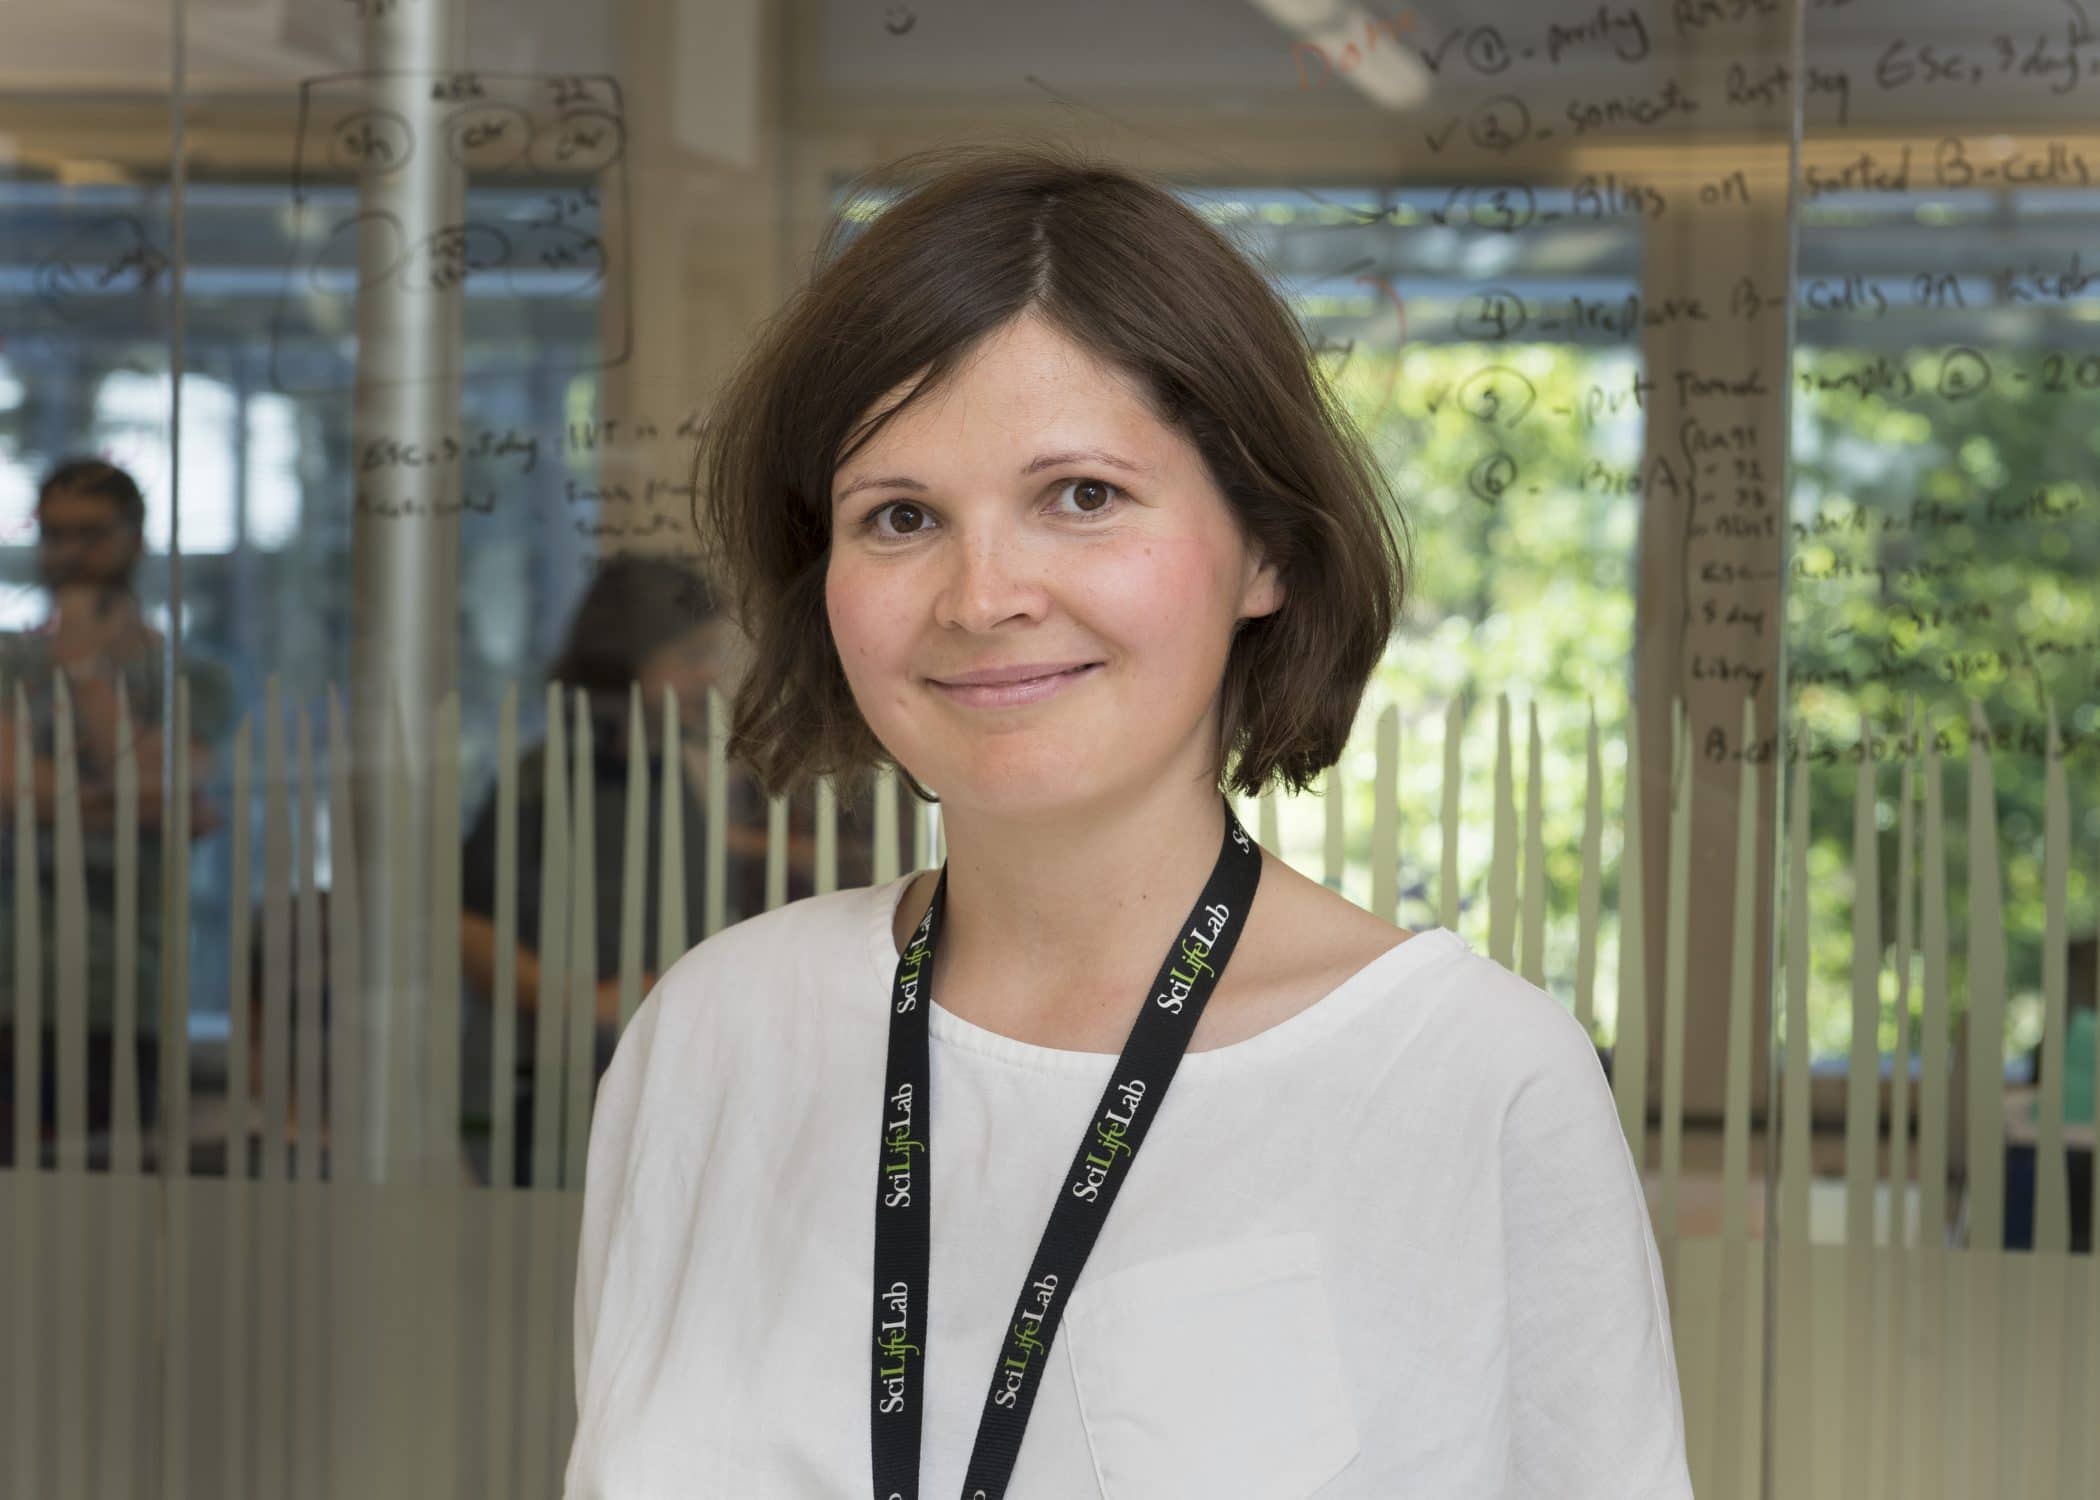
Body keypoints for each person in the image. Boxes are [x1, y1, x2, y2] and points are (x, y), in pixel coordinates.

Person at [564, 143, 1692, 1498]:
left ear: (1266, 549)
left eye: (1083, 497)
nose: (983, 596)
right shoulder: (715, 1036)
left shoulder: (1472, 1079)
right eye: (901, 516)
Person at [458, 554, 882, 1187]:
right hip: (559, 1093)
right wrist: (573, 1002)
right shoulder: (546, 781)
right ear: (626, 660)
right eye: (689, 658)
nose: (708, 676)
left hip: (661, 1078)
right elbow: (468, 922)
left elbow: (674, 854)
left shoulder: (672, 771)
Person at [0, 457, 232, 1173]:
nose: (70, 553)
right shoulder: (7, 662)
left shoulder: (190, 675)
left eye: (90, 533)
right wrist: (133, 803)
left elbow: (163, 791)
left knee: (106, 1201)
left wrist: (85, 672)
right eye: (55, 533)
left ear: (133, 536)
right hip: (9, 981)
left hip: (127, 990)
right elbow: (12, 788)